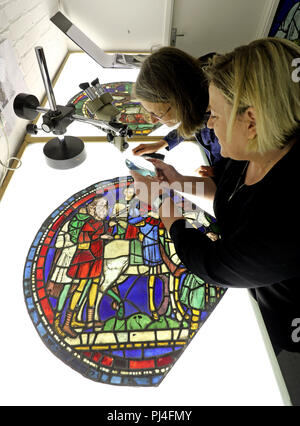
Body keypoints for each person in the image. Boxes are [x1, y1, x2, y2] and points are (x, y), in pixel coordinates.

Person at [130, 37, 300, 353]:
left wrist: (163, 204)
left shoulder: (285, 219)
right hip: (258, 280)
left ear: (251, 121)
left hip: (285, 312)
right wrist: (177, 181)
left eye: (215, 114)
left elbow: (211, 265)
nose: (208, 124)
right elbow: (227, 201)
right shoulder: (252, 150)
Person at [132, 47, 221, 177]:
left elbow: (245, 162)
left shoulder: (220, 119)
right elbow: (190, 123)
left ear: (179, 103)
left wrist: (220, 172)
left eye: (157, 114)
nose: (153, 121)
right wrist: (162, 143)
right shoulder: (195, 90)